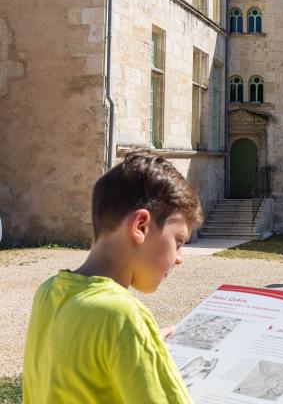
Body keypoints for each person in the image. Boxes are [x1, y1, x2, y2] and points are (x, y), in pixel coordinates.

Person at [23, 149, 203, 403]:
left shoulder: (48, 292)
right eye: (179, 241)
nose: (179, 258)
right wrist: (139, 340)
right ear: (141, 226)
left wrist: (146, 347)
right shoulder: (122, 316)